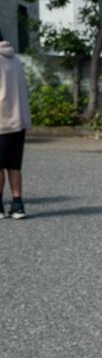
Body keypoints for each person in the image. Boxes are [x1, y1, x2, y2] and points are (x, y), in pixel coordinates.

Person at [0, 30, 31, 220]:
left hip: (1, 120)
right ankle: (18, 205)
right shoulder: (15, 60)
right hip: (19, 120)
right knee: (14, 165)